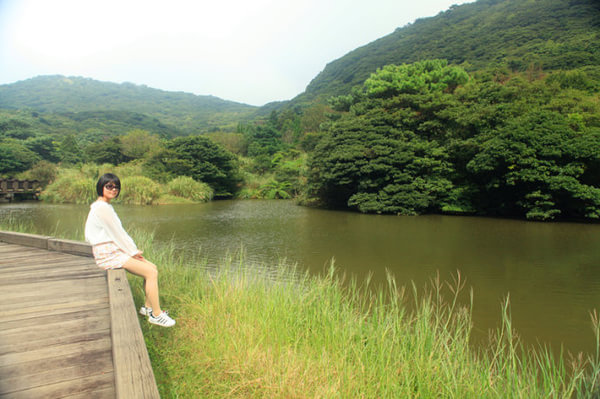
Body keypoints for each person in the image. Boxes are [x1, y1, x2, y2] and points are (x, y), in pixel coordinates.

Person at [84, 173, 175, 327]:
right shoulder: (101, 208)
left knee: (152, 267)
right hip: (108, 254)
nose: (113, 189)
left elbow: (115, 232)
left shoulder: (103, 206)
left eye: (116, 187)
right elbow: (118, 233)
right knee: (151, 273)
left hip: (112, 250)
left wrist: (132, 252)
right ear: (101, 187)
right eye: (109, 186)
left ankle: (147, 308)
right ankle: (156, 314)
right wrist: (133, 251)